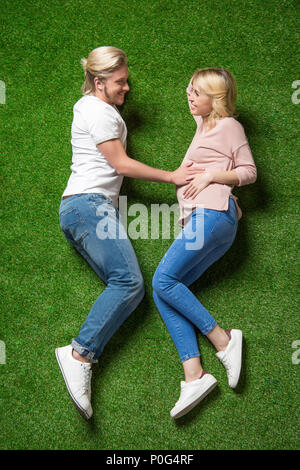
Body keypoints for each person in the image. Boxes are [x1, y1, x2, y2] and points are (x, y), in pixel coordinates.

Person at [55, 46, 201, 420]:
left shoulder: (94, 108)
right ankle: (79, 353)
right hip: (89, 205)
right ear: (99, 82)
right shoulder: (98, 111)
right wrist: (172, 177)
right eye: (120, 82)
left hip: (86, 208)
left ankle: (80, 354)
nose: (127, 88)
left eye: (126, 81)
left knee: (126, 283)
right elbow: (119, 163)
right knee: (129, 283)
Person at [152, 67, 257, 419]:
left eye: (196, 91)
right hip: (208, 220)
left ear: (216, 98)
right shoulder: (205, 127)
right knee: (164, 288)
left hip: (212, 215)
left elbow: (249, 171)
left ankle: (224, 341)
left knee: (162, 280)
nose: (188, 94)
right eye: (188, 89)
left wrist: (213, 176)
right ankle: (194, 375)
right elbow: (202, 126)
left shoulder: (229, 126)